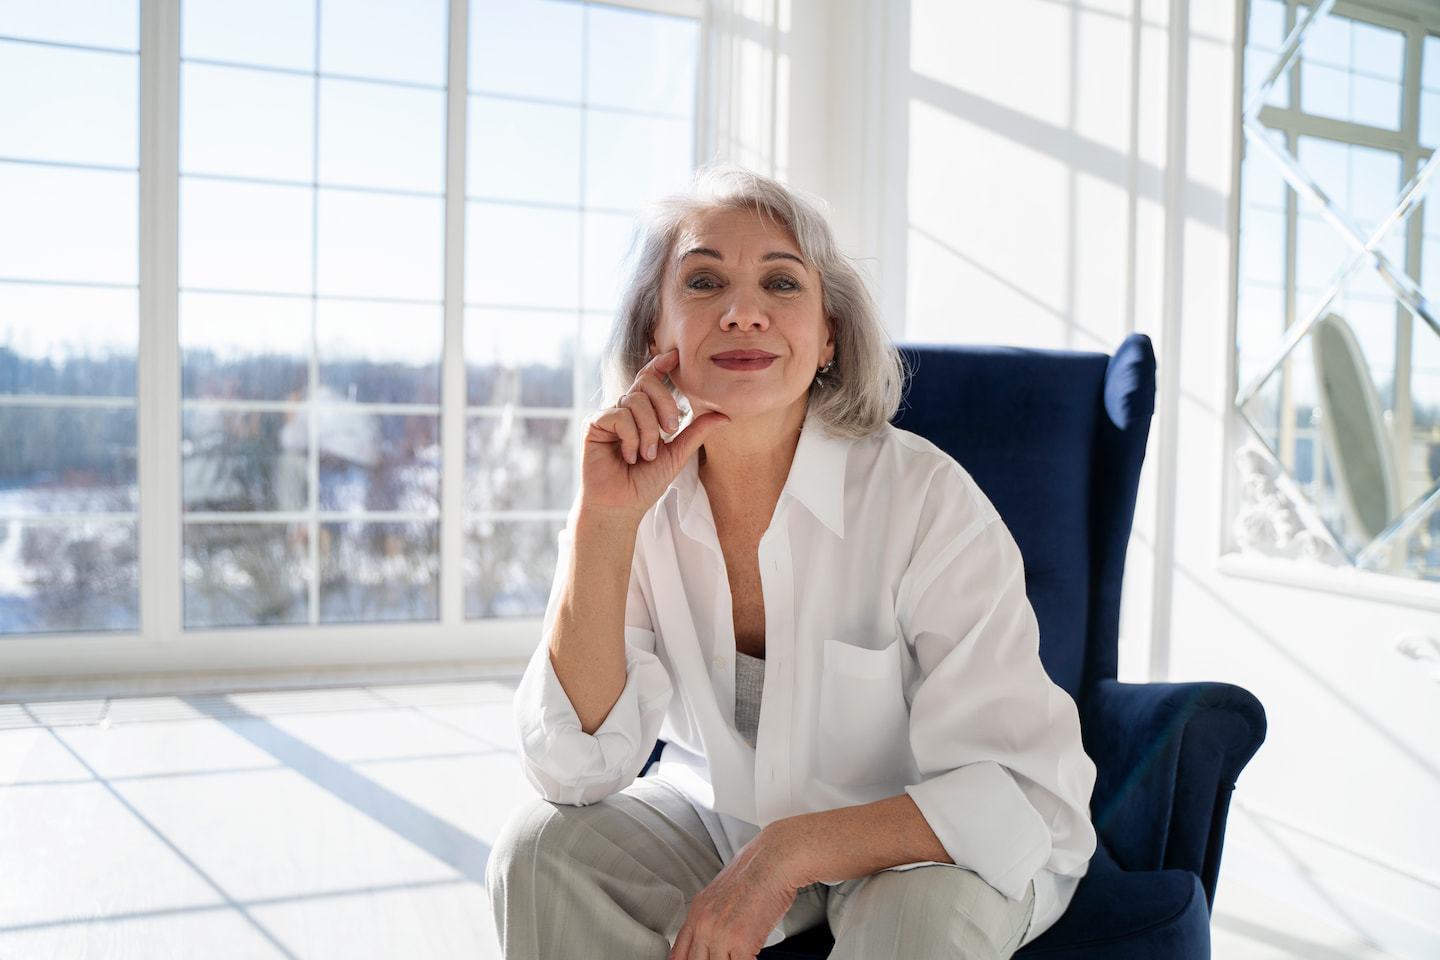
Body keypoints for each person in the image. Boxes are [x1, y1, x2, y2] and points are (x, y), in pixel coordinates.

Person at [487, 168, 1097, 960]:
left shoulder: (927, 499)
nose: (743, 312)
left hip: (924, 841)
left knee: (916, 917)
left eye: (781, 282)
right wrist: (604, 522)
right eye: (704, 282)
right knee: (540, 850)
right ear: (653, 336)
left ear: (829, 337)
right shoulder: (633, 502)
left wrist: (793, 850)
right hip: (728, 818)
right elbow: (571, 769)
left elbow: (1022, 794)